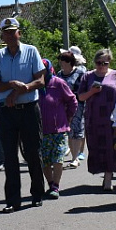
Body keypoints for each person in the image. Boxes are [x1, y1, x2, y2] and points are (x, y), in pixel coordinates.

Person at [0, 16, 47, 212]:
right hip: (7, 112)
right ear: (3, 36)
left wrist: (18, 91)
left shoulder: (31, 51)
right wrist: (11, 85)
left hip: (29, 109)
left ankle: (37, 193)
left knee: (32, 153)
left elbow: (40, 81)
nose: (10, 36)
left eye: (13, 32)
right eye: (6, 33)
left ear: (18, 33)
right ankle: (12, 200)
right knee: (9, 157)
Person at [77, 49, 116, 191]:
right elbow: (80, 97)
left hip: (112, 118)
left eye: (105, 63)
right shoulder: (87, 76)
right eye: (98, 63)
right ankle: (103, 174)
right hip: (93, 118)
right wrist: (92, 92)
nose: (101, 66)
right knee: (96, 147)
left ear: (109, 62)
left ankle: (108, 177)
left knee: (112, 147)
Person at [37, 58, 78, 198]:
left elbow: (72, 101)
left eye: (43, 68)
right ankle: (50, 184)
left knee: (58, 158)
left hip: (59, 129)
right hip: (41, 130)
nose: (40, 71)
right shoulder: (35, 85)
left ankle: (56, 186)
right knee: (45, 160)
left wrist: (68, 118)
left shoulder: (58, 83)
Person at [56, 48, 88, 165]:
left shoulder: (80, 73)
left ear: (69, 62)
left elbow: (81, 90)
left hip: (77, 106)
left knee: (77, 131)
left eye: (62, 61)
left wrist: (70, 95)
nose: (60, 63)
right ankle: (74, 155)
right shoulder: (59, 74)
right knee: (68, 132)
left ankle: (75, 158)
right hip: (63, 107)